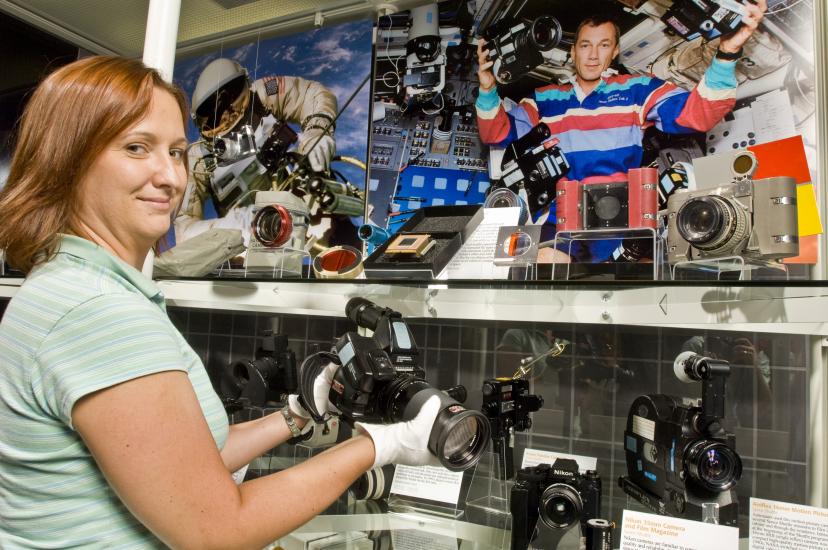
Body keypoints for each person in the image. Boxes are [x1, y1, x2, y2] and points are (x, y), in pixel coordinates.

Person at [0, 56, 439, 549]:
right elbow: (218, 530)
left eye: (175, 152)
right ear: (70, 158)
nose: (170, 176)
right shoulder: (98, 312)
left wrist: (295, 416)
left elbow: (181, 463)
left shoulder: (68, 285)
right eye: (136, 148)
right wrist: (381, 444)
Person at [476, 4, 767, 262]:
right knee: (547, 277)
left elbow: (697, 115)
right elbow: (497, 133)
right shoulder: (544, 99)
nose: (592, 55)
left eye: (603, 45)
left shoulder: (638, 89)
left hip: (621, 219)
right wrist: (488, 87)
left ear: (615, 51)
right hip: (562, 219)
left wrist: (727, 54)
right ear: (573, 49)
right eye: (585, 45)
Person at [175, 57, 339, 245]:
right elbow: (184, 230)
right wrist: (228, 226)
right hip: (248, 239)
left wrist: (317, 130)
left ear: (245, 85)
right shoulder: (198, 160)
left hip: (300, 201)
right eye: (215, 111)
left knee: (336, 238)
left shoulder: (262, 95)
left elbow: (312, 94)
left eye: (230, 98)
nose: (227, 113)